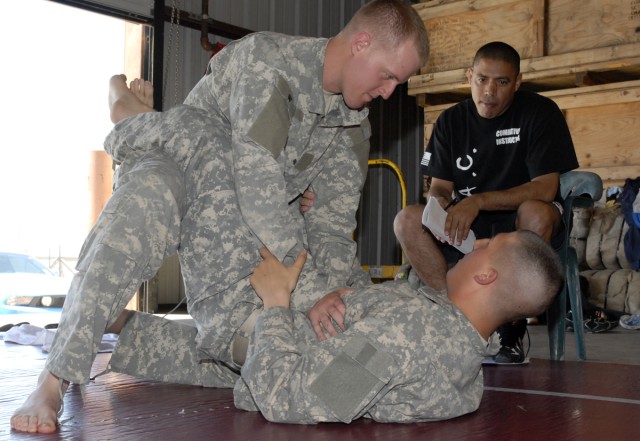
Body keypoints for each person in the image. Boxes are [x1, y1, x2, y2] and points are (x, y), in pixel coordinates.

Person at [10, 0, 429, 433]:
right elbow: (258, 188)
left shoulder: (352, 123)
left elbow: (332, 226)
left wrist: (339, 302)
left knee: (252, 350)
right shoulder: (269, 63)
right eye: (389, 75)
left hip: (243, 224)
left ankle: (120, 327)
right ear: (361, 43)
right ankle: (54, 377)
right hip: (186, 168)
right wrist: (308, 294)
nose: (390, 92)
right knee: (142, 208)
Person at [236, 229, 564, 423]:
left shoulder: (401, 339)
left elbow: (283, 399)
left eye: (489, 245)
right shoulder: (455, 339)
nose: (476, 244)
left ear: (486, 276)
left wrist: (275, 302)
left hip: (259, 346)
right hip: (283, 336)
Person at [392, 41, 579, 364]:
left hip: (521, 225)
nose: (489, 91)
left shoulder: (540, 112)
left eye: (502, 82)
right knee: (408, 219)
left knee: (534, 211)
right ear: (469, 76)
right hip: (470, 223)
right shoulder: (451, 121)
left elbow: (545, 188)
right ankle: (456, 318)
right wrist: (440, 208)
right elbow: (440, 187)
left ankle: (509, 333)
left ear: (517, 82)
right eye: (481, 79)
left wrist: (477, 201)